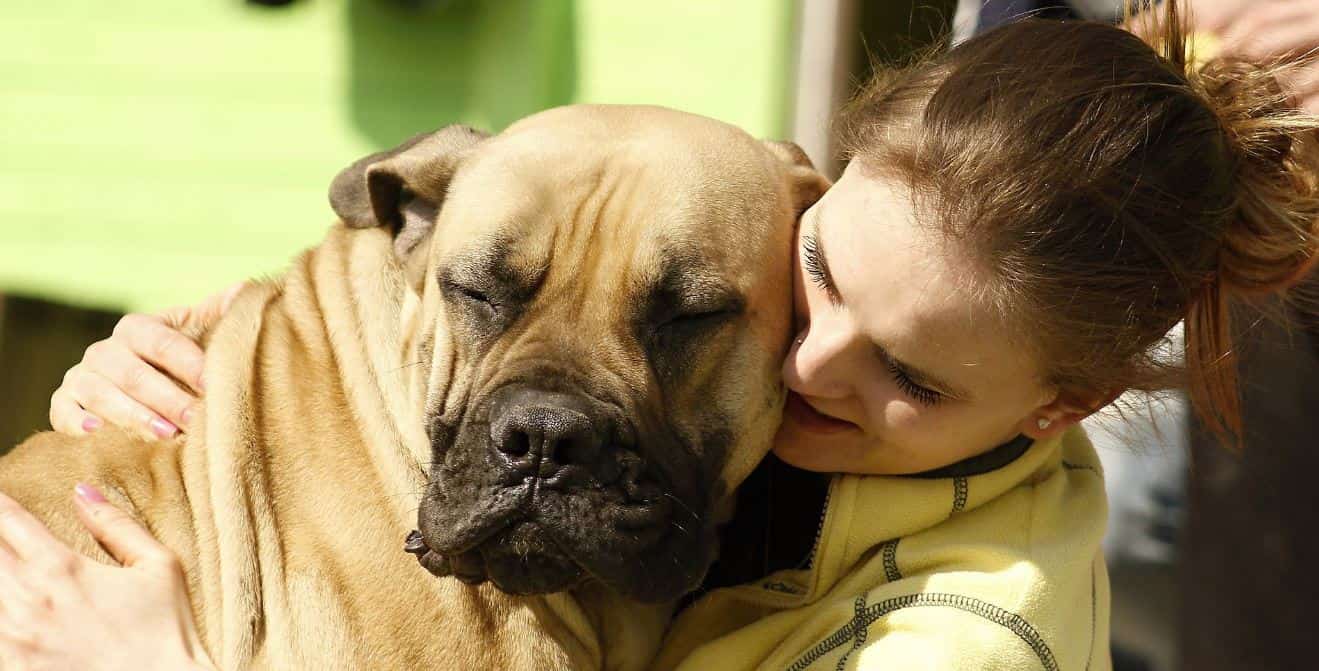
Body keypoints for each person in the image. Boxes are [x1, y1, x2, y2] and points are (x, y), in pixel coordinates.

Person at [7, 1, 1318, 668]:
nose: (812, 367)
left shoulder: (962, 635)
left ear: (1059, 409)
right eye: (811, 287)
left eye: (684, 321)